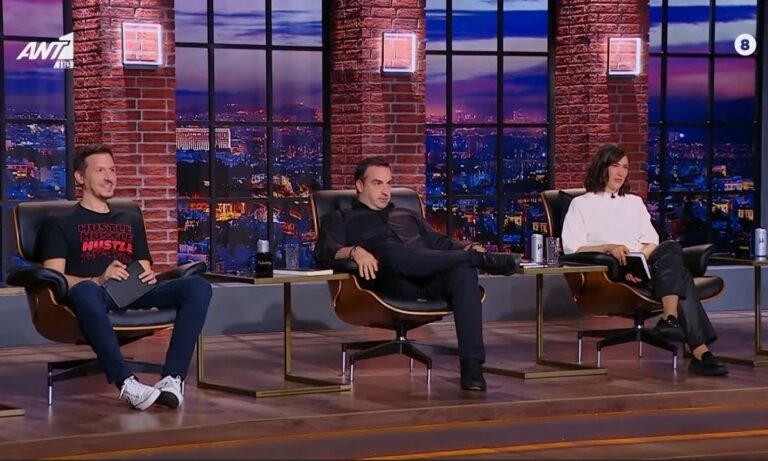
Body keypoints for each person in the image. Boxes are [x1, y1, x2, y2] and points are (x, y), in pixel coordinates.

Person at [314, 156, 522, 391]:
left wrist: (468, 247)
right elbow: (323, 252)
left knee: (464, 273)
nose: (385, 191)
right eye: (377, 184)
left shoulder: (407, 214)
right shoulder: (340, 218)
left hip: (429, 277)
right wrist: (354, 251)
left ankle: (472, 368)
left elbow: (440, 243)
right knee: (393, 252)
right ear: (360, 185)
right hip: (390, 283)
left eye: (389, 183)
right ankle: (481, 262)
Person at [39, 143, 213, 410]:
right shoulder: (60, 222)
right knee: (86, 291)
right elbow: (53, 278)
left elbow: (142, 266)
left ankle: (172, 378)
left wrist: (147, 276)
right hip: (92, 294)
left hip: (132, 290)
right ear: (80, 177)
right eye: (100, 171)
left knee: (198, 287)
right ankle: (127, 383)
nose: (109, 177)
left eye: (112, 170)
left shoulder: (129, 218)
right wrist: (99, 279)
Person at [561, 143, 728, 376]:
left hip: (643, 263)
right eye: (615, 166)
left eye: (625, 167)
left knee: (671, 247)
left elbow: (651, 242)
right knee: (682, 275)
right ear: (602, 167)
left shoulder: (634, 202)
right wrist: (609, 248)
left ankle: (670, 319)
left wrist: (639, 264)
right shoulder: (581, 204)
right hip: (609, 272)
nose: (621, 172)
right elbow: (573, 248)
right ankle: (698, 350)